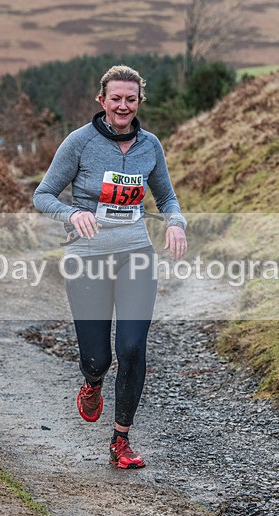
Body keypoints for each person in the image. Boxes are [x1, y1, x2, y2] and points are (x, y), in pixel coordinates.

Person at [33, 65, 187, 469]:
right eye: (116, 98)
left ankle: (121, 440)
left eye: (130, 99)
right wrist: (70, 215)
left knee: (133, 348)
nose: (123, 106)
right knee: (98, 358)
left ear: (139, 102)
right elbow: (43, 194)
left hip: (135, 253)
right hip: (87, 259)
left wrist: (176, 223)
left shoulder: (149, 146)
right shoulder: (80, 142)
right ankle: (93, 381)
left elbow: (167, 198)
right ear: (102, 100)